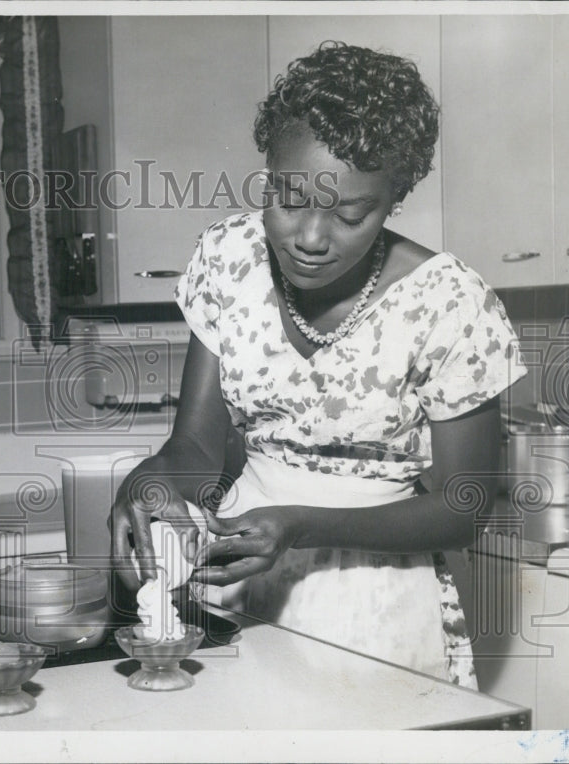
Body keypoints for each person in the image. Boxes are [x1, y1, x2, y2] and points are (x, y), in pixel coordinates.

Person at [110, 42, 525, 687]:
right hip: (236, 579)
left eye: (350, 215)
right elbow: (195, 445)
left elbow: (463, 509)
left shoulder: (452, 304)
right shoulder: (229, 259)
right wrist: (149, 482)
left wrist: (301, 525)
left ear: (394, 199)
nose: (308, 237)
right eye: (287, 198)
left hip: (375, 598)